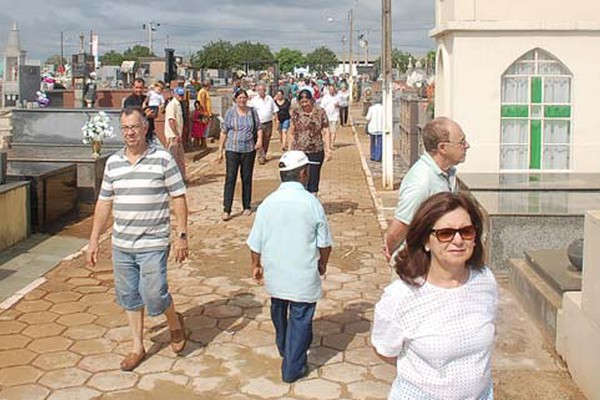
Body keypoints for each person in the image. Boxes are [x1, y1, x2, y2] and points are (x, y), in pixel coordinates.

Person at [86, 107, 189, 371]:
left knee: (154, 294)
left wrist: (181, 235)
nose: (130, 133)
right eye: (125, 128)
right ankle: (137, 346)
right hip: (122, 244)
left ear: (145, 128)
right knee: (129, 296)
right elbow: (104, 202)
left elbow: (178, 196)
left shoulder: (163, 159)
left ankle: (174, 322)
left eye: (134, 127)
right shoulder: (113, 163)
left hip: (153, 242)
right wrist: (94, 239)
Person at [372, 192, 498, 400]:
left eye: (466, 231)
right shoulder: (401, 297)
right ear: (426, 241)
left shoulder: (484, 280)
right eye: (446, 233)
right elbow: (385, 350)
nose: (458, 240)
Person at [247, 150, 333, 383]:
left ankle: (286, 349)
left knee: (279, 310)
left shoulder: (267, 204)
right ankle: (292, 368)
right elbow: (325, 243)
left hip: (276, 276)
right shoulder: (312, 203)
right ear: (304, 173)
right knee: (301, 317)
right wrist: (322, 263)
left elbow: (255, 242)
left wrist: (256, 265)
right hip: (303, 276)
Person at [384, 117, 469, 262]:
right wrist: (390, 251)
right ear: (442, 148)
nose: (467, 145)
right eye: (461, 142)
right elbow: (401, 225)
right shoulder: (421, 182)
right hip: (418, 264)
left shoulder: (448, 173)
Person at [218, 89, 263, 221]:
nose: (242, 100)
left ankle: (246, 205)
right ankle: (227, 208)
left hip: (248, 149)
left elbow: (259, 127)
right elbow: (224, 131)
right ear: (236, 99)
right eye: (240, 98)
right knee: (230, 178)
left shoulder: (252, 112)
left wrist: (259, 140)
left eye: (244, 98)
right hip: (232, 149)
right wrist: (220, 149)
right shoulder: (230, 113)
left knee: (247, 178)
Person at [287, 89, 332, 195]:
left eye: (306, 101)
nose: (304, 104)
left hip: (316, 149)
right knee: (300, 176)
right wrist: (289, 149)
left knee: (313, 176)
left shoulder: (320, 112)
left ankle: (312, 199)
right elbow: (292, 131)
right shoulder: (296, 113)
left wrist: (328, 148)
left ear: (311, 100)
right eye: (302, 102)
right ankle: (302, 198)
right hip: (299, 150)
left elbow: (325, 131)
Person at [124, 78, 163, 145]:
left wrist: (156, 111)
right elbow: (131, 119)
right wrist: (145, 115)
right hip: (136, 135)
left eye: (140, 88)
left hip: (149, 133)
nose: (138, 90)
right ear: (133, 87)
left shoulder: (147, 99)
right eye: (137, 87)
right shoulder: (129, 101)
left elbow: (154, 113)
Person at [250, 83, 279, 164]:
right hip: (258, 123)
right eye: (259, 90)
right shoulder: (254, 100)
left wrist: (277, 120)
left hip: (268, 123)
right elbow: (250, 111)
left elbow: (275, 110)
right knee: (259, 140)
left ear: (265, 90)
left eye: (262, 90)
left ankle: (264, 154)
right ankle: (260, 156)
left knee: (266, 140)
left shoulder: (269, 99)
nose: (261, 91)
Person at [164, 87, 186, 180]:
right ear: (174, 94)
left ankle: (181, 178)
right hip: (173, 136)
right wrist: (176, 134)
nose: (181, 96)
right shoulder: (171, 105)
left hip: (177, 136)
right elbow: (171, 121)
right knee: (172, 160)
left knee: (180, 159)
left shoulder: (178, 105)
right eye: (179, 94)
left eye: (182, 94)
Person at [319, 84, 340, 151]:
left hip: (334, 116)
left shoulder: (337, 97)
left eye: (332, 90)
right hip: (326, 116)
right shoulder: (326, 97)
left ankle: (331, 145)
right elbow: (322, 106)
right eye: (330, 90)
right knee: (326, 131)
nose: (331, 91)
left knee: (333, 131)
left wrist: (338, 105)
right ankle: (327, 143)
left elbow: (341, 105)